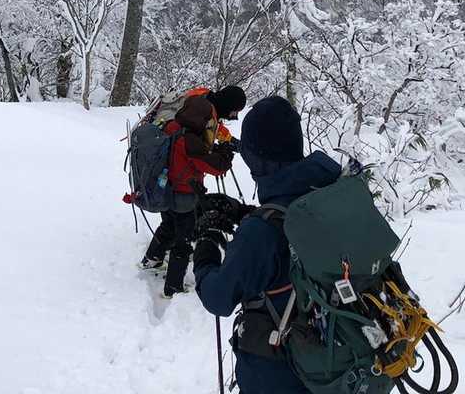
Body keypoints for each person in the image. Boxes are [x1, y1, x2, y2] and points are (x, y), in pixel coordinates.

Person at [192, 95, 342, 393]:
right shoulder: (330, 194)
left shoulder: (261, 233)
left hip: (279, 377)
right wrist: (245, 213)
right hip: (335, 369)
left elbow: (218, 298)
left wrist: (207, 245)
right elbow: (293, 227)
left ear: (259, 158)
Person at [140, 84, 246, 297]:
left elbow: (196, 150)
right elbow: (208, 162)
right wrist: (224, 156)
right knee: (185, 237)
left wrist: (217, 147)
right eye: (234, 111)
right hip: (184, 189)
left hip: (167, 183)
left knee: (169, 224)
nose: (232, 117)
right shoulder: (194, 132)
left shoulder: (180, 122)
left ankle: (152, 259)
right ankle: (173, 287)